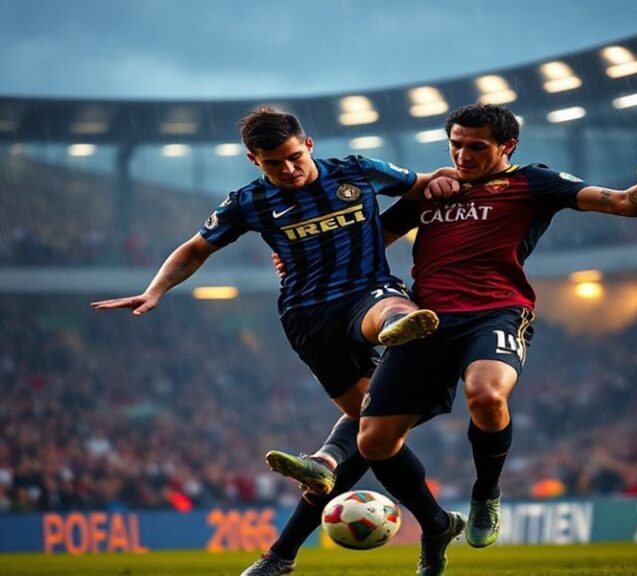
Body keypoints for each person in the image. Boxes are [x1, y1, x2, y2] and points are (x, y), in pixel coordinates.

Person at [263, 103, 637, 575]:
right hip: (424, 321)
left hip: (496, 312)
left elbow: (625, 203)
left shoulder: (532, 182)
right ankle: (428, 526)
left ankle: (486, 493)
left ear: (508, 147)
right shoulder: (434, 191)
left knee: (485, 393)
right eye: (456, 145)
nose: (463, 155)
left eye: (476, 146)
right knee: (375, 440)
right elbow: (365, 243)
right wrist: (302, 259)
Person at [88, 107, 460, 566]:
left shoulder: (357, 171)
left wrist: (442, 179)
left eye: (291, 157)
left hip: (367, 291)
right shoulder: (248, 202)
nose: (286, 170)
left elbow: (425, 185)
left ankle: (396, 329)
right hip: (306, 317)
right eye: (272, 164)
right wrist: (155, 289)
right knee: (369, 432)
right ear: (253, 160)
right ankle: (428, 518)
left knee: (389, 308)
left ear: (308, 144)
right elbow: (195, 248)